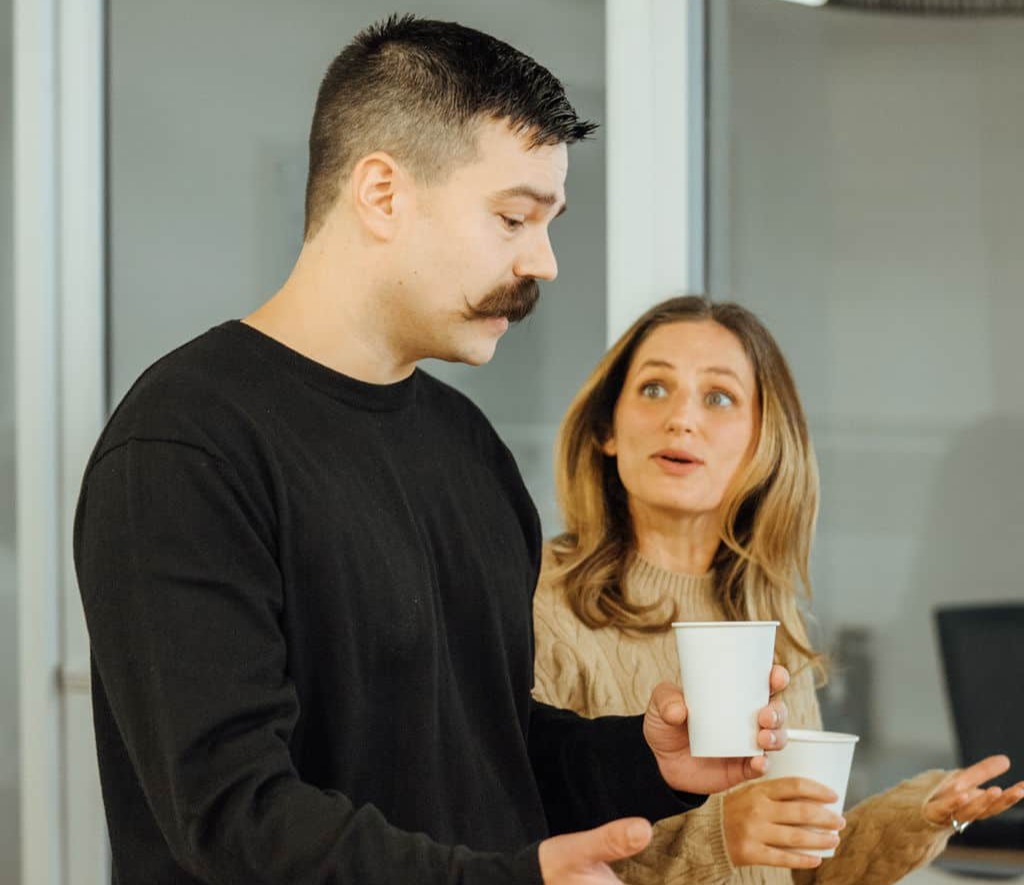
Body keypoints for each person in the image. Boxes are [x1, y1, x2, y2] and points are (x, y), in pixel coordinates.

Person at [73, 19, 791, 885]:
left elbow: (486, 750)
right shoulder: (187, 445)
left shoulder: (470, 448)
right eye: (513, 217)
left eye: (548, 223)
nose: (544, 262)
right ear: (382, 193)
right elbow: (236, 816)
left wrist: (644, 759)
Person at [533, 295, 1024, 885]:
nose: (681, 418)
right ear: (606, 429)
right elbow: (528, 856)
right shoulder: (538, 601)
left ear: (762, 443)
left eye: (719, 397)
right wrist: (722, 837)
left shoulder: (767, 617)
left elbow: (796, 870)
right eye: (654, 388)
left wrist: (920, 815)